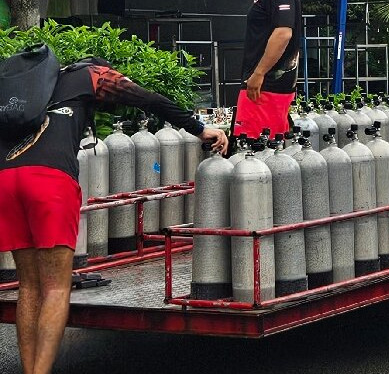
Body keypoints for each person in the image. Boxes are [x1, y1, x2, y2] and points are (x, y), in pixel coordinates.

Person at [0, 56, 228, 374]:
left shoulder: (31, 85)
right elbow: (148, 99)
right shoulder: (91, 76)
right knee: (55, 287)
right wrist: (199, 128)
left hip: (6, 179)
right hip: (49, 181)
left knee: (29, 286)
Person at [235, 0, 303, 140]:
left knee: (254, 146)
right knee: (268, 145)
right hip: (267, 86)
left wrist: (258, 74)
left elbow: (283, 33)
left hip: (267, 87)